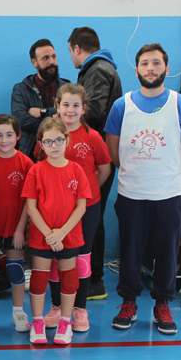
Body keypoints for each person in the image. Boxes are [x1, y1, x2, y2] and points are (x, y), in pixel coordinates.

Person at [105, 43, 181, 334]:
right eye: (145, 63)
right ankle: (128, 302)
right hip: (132, 194)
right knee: (130, 252)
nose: (150, 68)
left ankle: (162, 304)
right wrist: (136, 172)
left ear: (167, 69)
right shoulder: (122, 106)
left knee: (167, 252)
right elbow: (113, 150)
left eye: (156, 63)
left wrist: (169, 171)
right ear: (136, 69)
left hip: (169, 194)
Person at [43, 85, 111, 333]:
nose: (70, 110)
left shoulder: (92, 137)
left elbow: (104, 169)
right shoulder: (50, 134)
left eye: (75, 105)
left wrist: (86, 194)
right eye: (65, 104)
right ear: (57, 106)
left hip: (87, 209)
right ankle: (57, 306)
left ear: (84, 109)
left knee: (81, 258)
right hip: (55, 210)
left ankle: (79, 308)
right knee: (56, 257)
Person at [22, 117, 90, 345]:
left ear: (67, 141)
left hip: (69, 236)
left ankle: (65, 323)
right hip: (42, 237)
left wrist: (61, 233)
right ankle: (38, 323)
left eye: (59, 140)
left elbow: (81, 206)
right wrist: (49, 235)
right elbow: (31, 207)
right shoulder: (36, 171)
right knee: (39, 279)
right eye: (48, 141)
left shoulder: (76, 170)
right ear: (41, 144)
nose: (54, 146)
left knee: (69, 278)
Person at [67, 27, 123, 300]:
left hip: (95, 158)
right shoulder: (100, 68)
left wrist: (62, 122)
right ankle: (85, 279)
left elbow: (94, 113)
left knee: (91, 219)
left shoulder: (98, 70)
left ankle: (94, 281)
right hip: (94, 158)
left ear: (77, 48)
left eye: (69, 51)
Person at [0, 114, 33, 333]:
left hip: (15, 227)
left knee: (15, 268)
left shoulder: (26, 163)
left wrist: (20, 229)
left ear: (18, 136)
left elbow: (29, 201)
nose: (4, 140)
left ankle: (18, 311)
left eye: (9, 135)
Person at [11, 39, 69, 159]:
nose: (51, 61)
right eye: (45, 58)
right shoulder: (21, 89)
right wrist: (55, 121)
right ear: (34, 62)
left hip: (62, 153)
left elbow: (72, 116)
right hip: (30, 153)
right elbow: (21, 120)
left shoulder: (67, 88)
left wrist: (43, 112)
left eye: (54, 57)